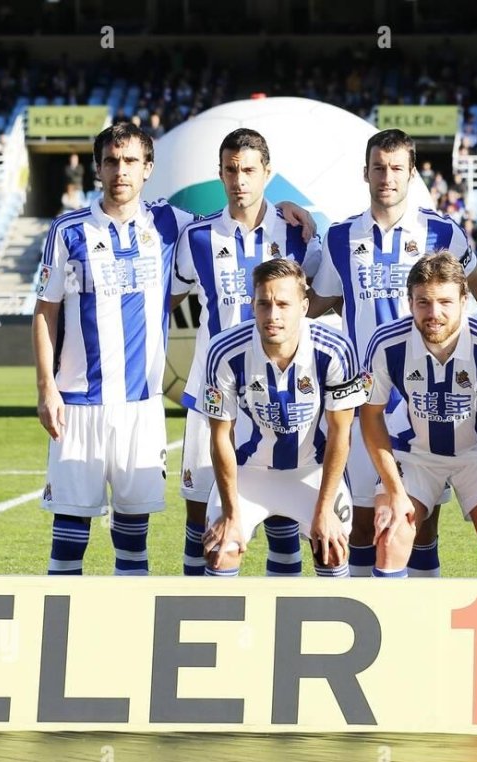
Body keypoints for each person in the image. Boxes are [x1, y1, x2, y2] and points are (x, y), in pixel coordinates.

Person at [32, 121, 314, 576]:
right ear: (97, 168)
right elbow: (48, 309)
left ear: (148, 168)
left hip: (168, 403)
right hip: (90, 401)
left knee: (271, 517)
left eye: (130, 161)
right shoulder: (84, 230)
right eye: (111, 161)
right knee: (77, 534)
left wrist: (287, 207)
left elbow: (315, 294)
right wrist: (46, 387)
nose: (121, 171)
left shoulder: (174, 224)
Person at [312, 129, 477, 578]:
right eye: (378, 168)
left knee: (420, 526)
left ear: (411, 174)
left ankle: (420, 614)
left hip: (423, 400)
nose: (386, 177)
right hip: (363, 400)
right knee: (362, 525)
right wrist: (292, 223)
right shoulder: (339, 237)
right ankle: (362, 608)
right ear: (365, 173)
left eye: (395, 168)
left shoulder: (443, 232)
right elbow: (316, 302)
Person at [172, 127, 323, 577]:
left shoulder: (297, 234)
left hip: (276, 394)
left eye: (250, 171)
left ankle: (283, 613)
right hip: (212, 396)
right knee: (202, 520)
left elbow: (318, 300)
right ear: (220, 173)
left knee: (281, 517)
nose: (240, 180)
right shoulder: (197, 237)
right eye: (231, 170)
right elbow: (164, 299)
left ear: (267, 173)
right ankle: (197, 607)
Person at [361, 251, 477, 578]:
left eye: (445, 302)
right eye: (423, 302)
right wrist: (395, 492)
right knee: (391, 534)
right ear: (409, 302)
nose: (434, 313)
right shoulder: (385, 342)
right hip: (414, 454)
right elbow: (371, 415)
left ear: (464, 301)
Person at [199, 259, 363, 577]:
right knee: (221, 550)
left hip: (312, 472)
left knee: (332, 549)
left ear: (304, 306)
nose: (273, 315)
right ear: (253, 305)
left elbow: (340, 433)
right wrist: (231, 514)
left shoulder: (336, 349)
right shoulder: (224, 351)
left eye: (283, 304)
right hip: (248, 473)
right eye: (264, 303)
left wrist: (325, 510)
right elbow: (221, 436)